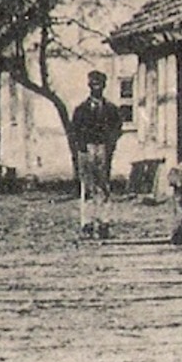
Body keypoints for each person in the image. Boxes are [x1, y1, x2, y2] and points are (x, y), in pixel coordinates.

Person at [71, 70, 124, 238]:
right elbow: (74, 131)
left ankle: (103, 224)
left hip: (103, 149)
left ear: (104, 86)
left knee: (103, 187)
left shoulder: (111, 110)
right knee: (87, 188)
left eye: (99, 84)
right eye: (93, 84)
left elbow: (117, 129)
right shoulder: (80, 110)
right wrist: (82, 148)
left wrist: (110, 146)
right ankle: (87, 224)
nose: (96, 87)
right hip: (86, 150)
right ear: (89, 86)